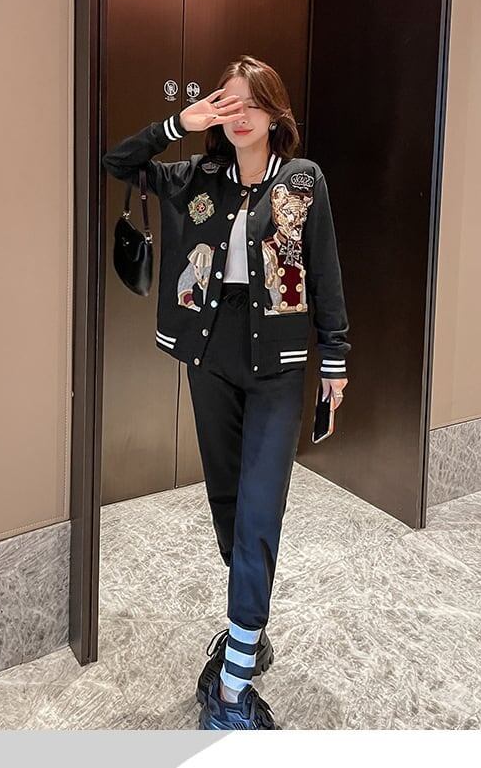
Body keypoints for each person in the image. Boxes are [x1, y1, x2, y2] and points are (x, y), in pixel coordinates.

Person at [102, 55, 350, 730]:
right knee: (228, 504)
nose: (238, 115)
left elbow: (324, 269)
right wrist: (175, 124)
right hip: (209, 356)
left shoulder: (303, 180)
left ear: (275, 112)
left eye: (250, 103)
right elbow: (117, 162)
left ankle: (232, 687)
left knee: (261, 506)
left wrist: (336, 356)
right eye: (227, 103)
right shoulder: (195, 176)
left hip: (278, 362)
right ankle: (247, 631)